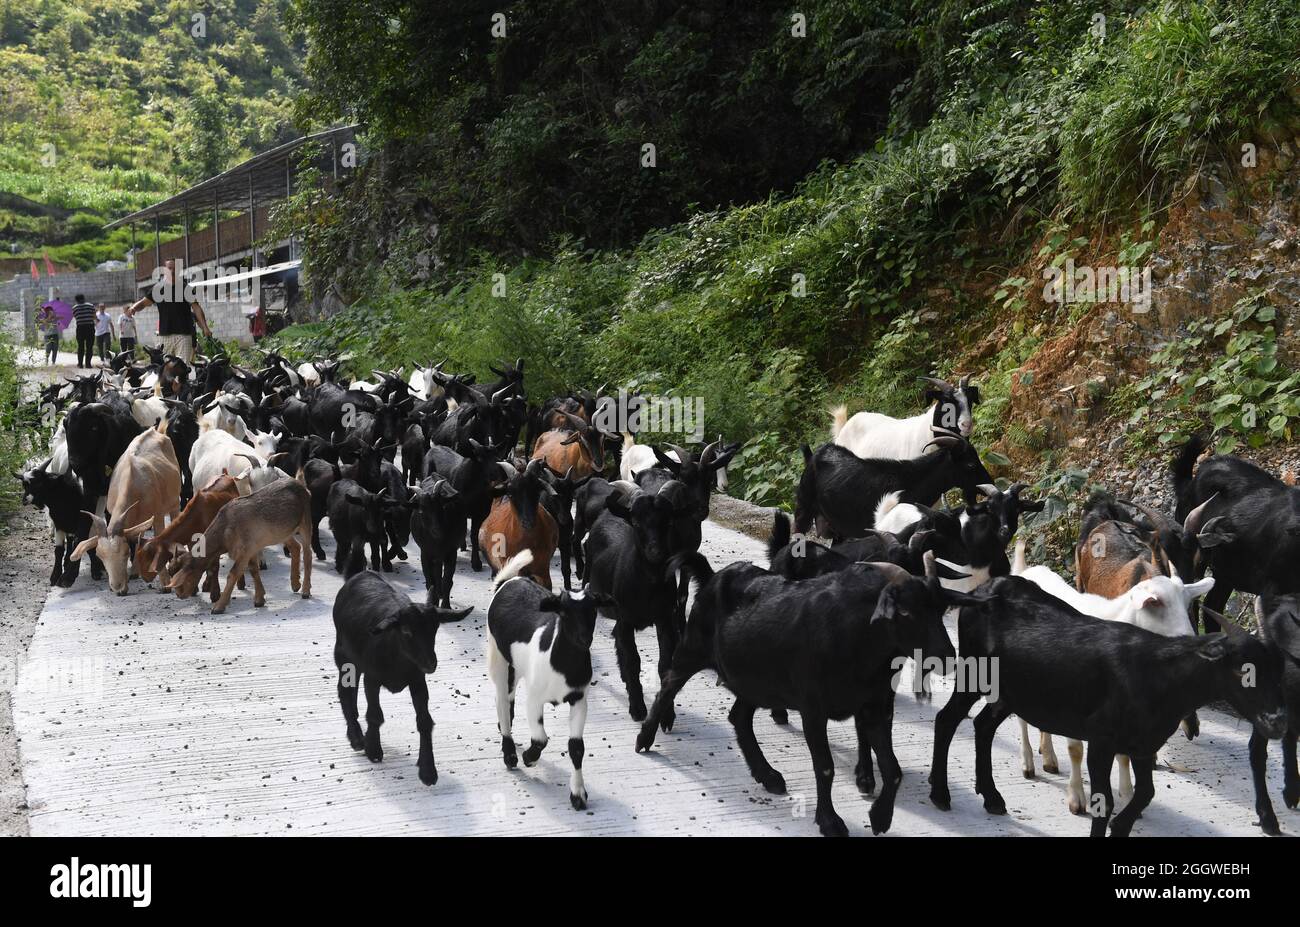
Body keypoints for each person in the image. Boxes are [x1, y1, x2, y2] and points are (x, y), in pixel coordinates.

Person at [126, 258, 213, 362]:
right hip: (165, 336)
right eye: (169, 268)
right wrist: (134, 308)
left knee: (183, 368)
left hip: (184, 335)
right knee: (166, 370)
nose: (172, 271)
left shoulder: (185, 288)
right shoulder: (158, 289)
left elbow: (196, 308)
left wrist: (205, 327)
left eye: (175, 268)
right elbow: (144, 302)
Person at [71, 293, 96, 369]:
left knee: (80, 346)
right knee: (89, 346)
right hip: (90, 327)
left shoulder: (74, 308)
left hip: (80, 328)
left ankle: (80, 364)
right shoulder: (91, 306)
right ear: (84, 298)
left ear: (76, 300)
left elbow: (76, 317)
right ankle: (88, 364)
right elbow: (94, 316)